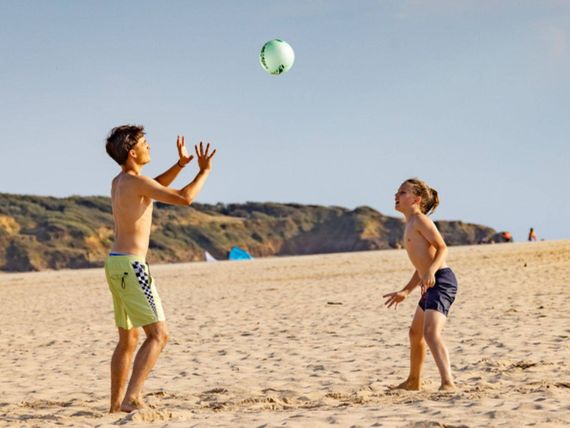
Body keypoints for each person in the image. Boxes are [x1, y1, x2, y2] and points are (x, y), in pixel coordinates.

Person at [104, 125, 216, 413]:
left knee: (128, 339)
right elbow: (184, 197)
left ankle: (116, 405)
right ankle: (132, 398)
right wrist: (203, 171)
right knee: (159, 335)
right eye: (145, 143)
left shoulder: (122, 182)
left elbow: (152, 187)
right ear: (132, 152)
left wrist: (180, 164)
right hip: (132, 265)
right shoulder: (135, 183)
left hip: (116, 262)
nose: (149, 146)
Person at [383, 178, 458, 391]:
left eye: (402, 192)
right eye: (397, 192)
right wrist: (406, 291)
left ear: (416, 199)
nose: (396, 196)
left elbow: (442, 248)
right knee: (415, 333)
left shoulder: (420, 221)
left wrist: (432, 272)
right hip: (430, 281)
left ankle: (448, 383)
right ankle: (413, 381)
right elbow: (420, 267)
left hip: (442, 280)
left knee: (431, 332)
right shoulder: (409, 225)